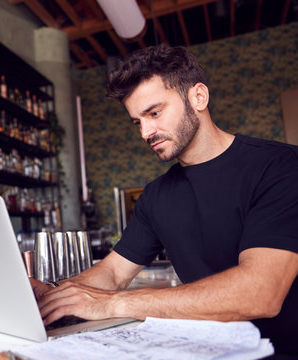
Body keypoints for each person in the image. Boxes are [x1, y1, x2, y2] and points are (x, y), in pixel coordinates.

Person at [31, 44, 298, 356]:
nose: (146, 131)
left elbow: (260, 293)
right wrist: (52, 296)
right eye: (137, 122)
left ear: (198, 97)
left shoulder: (281, 167)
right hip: (210, 351)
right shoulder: (156, 195)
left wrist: (114, 303)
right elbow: (113, 273)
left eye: (154, 113)